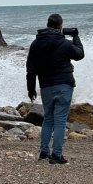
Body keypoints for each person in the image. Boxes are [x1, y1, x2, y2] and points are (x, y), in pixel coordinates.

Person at [26, 13, 84, 164]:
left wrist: (31, 89)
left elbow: (30, 69)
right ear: (60, 26)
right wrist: (76, 36)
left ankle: (44, 152)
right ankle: (57, 155)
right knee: (59, 120)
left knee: (48, 119)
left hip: (45, 86)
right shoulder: (64, 43)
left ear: (47, 25)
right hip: (64, 84)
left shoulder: (36, 44)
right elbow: (79, 54)